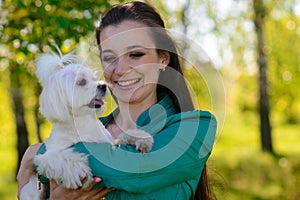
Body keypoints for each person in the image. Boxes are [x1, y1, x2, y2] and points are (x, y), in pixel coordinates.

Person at [17, 1, 217, 199]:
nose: (120, 70)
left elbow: (134, 169)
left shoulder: (194, 129)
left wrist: (39, 154)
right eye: (110, 57)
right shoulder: (87, 128)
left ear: (163, 59)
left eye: (135, 54)